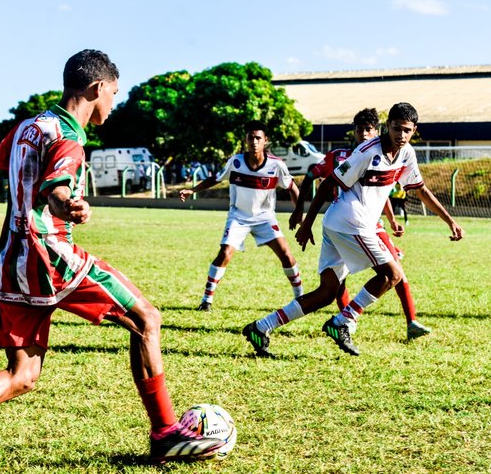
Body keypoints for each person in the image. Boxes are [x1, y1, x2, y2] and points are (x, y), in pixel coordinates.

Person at [0, 49, 224, 473]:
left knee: (23, 375)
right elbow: (58, 186)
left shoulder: (26, 128)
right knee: (147, 319)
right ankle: (166, 432)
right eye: (114, 92)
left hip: (10, 265)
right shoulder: (69, 137)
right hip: (50, 257)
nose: (113, 102)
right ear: (97, 88)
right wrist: (68, 204)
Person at [244, 102, 463, 357]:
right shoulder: (367, 152)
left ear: (414, 130)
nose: (401, 136)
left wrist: (450, 220)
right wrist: (306, 223)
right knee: (392, 274)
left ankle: (261, 327)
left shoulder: (407, 154)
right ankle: (342, 322)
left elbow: (420, 189)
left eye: (406, 131)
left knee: (327, 293)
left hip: (344, 224)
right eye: (396, 129)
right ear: (387, 126)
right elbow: (327, 186)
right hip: (350, 223)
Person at [287, 108, 431, 341]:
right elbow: (314, 179)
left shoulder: (397, 152)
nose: (364, 133)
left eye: (368, 129)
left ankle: (408, 320)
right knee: (342, 284)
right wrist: (301, 214)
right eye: (360, 129)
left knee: (392, 271)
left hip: (369, 223)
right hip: (348, 221)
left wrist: (392, 219)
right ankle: (345, 321)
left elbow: (380, 190)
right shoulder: (345, 155)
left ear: (376, 130)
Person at [179, 120, 303, 312]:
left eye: (258, 138)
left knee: (286, 255)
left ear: (265, 140)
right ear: (245, 140)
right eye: (250, 138)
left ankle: (301, 298)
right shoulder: (235, 162)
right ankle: (206, 301)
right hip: (238, 217)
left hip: (265, 218)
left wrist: (298, 212)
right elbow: (216, 178)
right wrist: (192, 190)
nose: (254, 142)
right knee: (225, 253)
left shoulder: (276, 165)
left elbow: (292, 187)